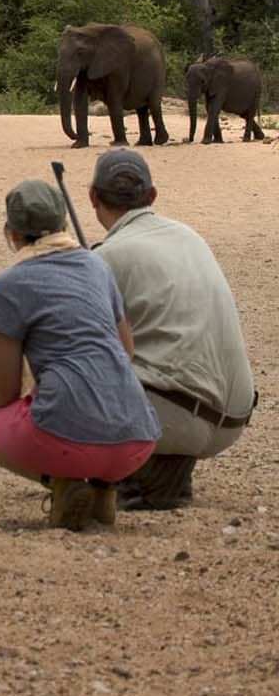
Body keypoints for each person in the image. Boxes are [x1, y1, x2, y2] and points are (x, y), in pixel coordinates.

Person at [0, 180, 159, 530]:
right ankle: (103, 491)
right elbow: (127, 350)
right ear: (63, 223)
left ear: (11, 232)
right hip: (138, 441)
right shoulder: (97, 266)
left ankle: (63, 485)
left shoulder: (9, 285)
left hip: (65, 440)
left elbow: (3, 391)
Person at [87, 149, 258, 509]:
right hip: (232, 419)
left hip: (179, 418)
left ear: (93, 197)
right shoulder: (189, 236)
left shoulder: (105, 257)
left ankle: (138, 473)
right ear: (152, 196)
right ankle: (162, 467)